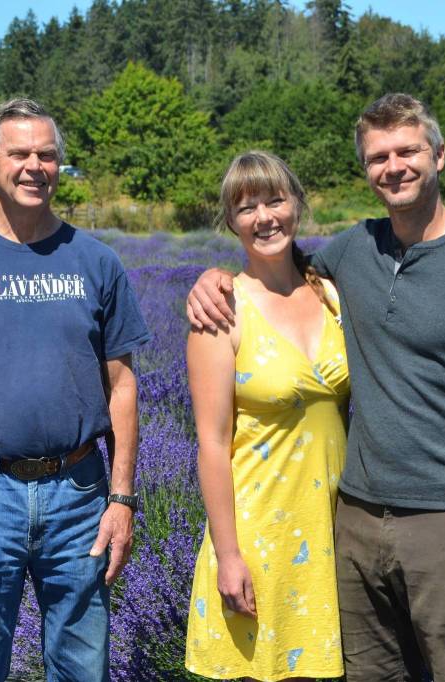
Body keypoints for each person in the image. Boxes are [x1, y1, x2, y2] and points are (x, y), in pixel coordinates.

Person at [186, 93, 445, 681]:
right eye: (378, 156)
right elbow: (277, 266)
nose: (394, 166)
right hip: (353, 523)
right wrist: (212, 279)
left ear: (439, 154)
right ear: (366, 170)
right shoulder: (354, 251)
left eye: (408, 150)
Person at [0, 98, 151, 682]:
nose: (34, 166)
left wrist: (121, 499)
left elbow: (123, 387)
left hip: (79, 492)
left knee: (82, 665)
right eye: (18, 153)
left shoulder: (97, 262)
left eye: (47, 155)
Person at [185, 151, 348, 681]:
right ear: (230, 222)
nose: (264, 217)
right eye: (246, 207)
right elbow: (211, 443)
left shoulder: (333, 295)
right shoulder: (221, 312)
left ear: (297, 205)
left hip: (337, 529)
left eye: (275, 200)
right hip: (260, 534)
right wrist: (228, 554)